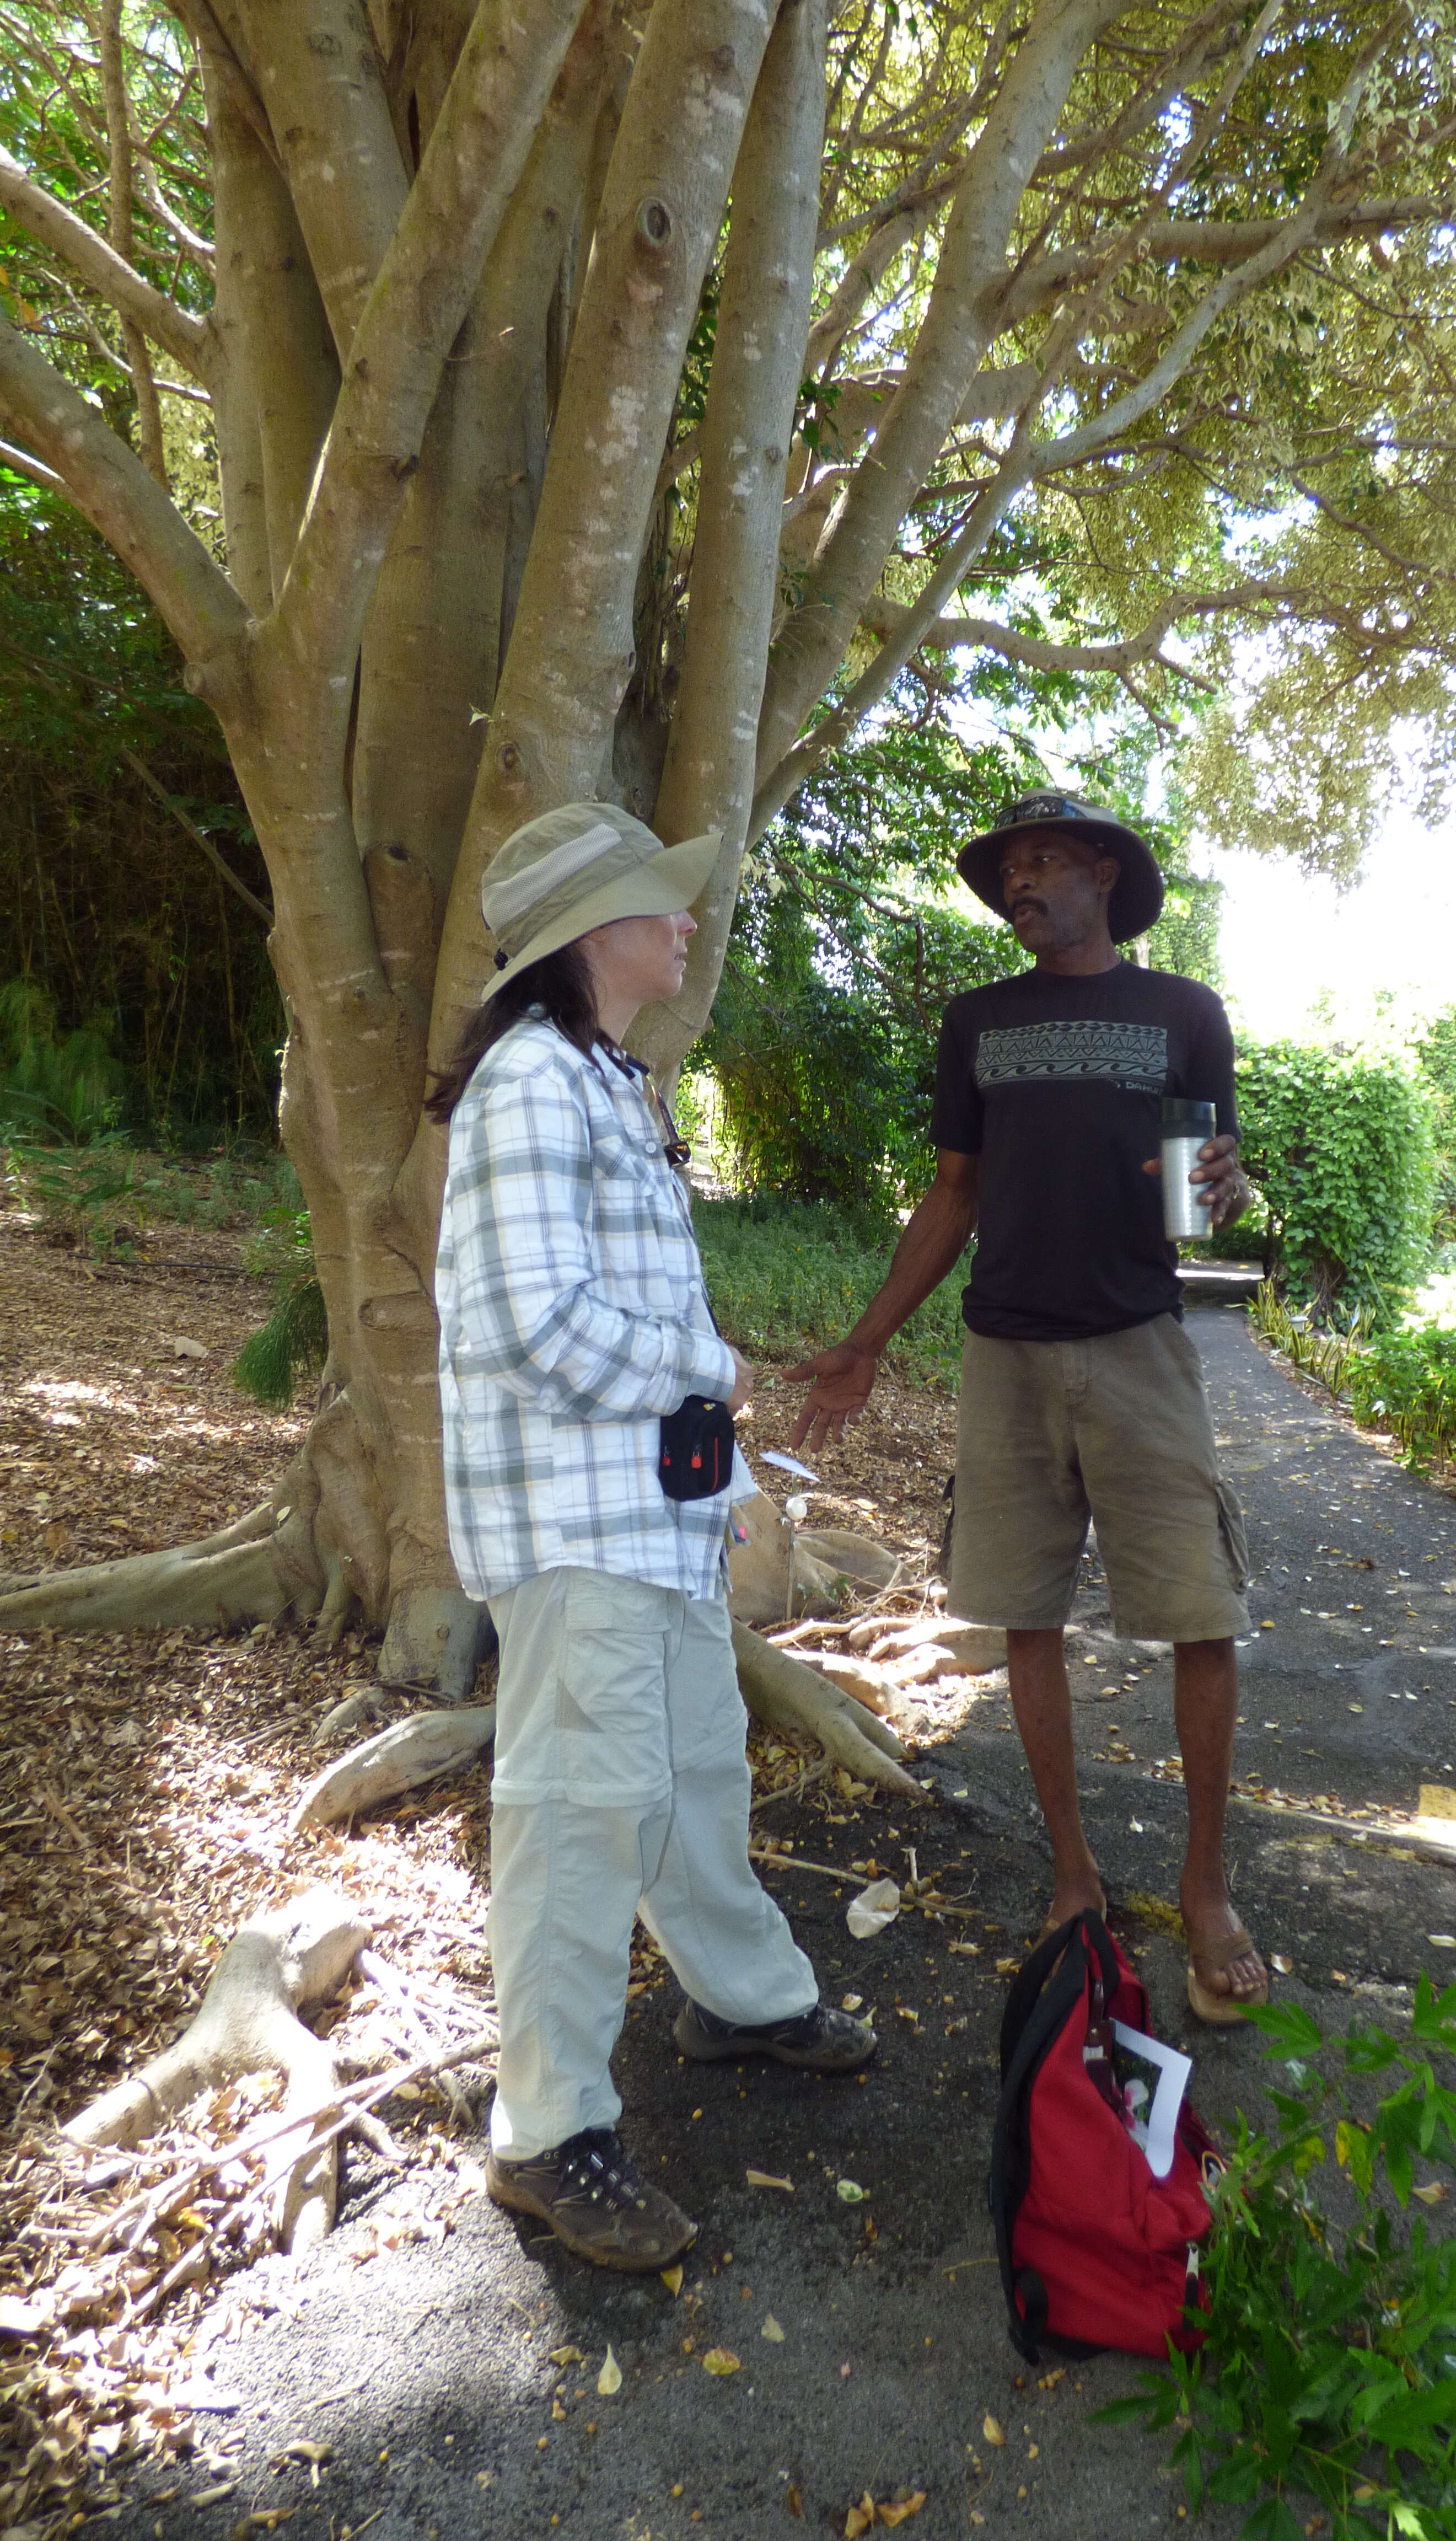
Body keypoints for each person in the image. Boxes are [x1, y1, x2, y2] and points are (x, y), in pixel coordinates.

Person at [429, 800, 875, 2274]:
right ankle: (547, 2135)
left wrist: (722, 1453)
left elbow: (633, 1310)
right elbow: (533, 1323)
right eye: (659, 901)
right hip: (576, 1528)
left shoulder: (613, 1081)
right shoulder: (531, 1089)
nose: (687, 921)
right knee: (574, 1814)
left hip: (654, 1518)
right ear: (586, 934)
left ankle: (739, 1999)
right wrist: (710, 1377)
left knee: (692, 1767)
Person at [790, 791, 1267, 2024]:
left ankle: (1206, 1889)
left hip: (1140, 1349)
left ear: (1104, 874)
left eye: (1044, 860)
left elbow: (1193, 1208)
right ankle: (1073, 1874)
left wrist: (1229, 1188)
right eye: (1008, 867)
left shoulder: (1184, 1014)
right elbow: (955, 1194)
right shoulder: (978, 1022)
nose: (1021, 883)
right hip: (1005, 1358)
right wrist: (866, 1342)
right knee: (1025, 1618)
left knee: (1198, 1615)